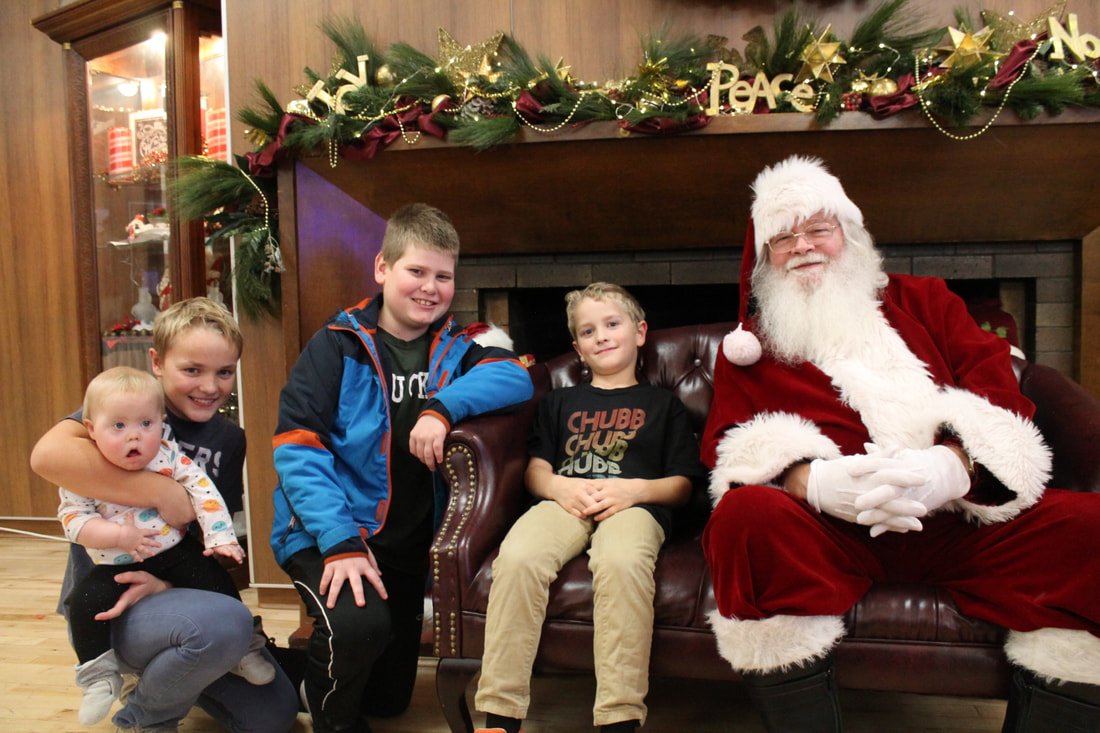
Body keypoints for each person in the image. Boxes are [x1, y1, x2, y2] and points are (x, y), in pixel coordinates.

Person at [700, 155, 1100, 732]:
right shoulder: (751, 345)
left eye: (818, 228)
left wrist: (956, 465)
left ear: (849, 234)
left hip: (963, 521)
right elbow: (730, 445)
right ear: (765, 258)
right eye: (783, 238)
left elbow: (995, 383)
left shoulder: (929, 300)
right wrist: (811, 482)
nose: (804, 246)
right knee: (744, 519)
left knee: (1091, 532)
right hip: (832, 533)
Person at [271, 202, 534, 733]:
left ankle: (283, 671)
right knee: (358, 629)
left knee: (389, 698)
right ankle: (332, 722)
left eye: (443, 276)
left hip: (407, 549)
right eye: (416, 271)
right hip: (331, 533)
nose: (429, 288)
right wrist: (340, 542)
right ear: (383, 268)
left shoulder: (458, 348)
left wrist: (441, 408)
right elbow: (297, 450)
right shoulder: (336, 346)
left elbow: (517, 377)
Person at [30, 297, 298, 733]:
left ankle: (169, 673)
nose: (209, 386)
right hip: (109, 598)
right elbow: (46, 456)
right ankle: (147, 717)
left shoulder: (230, 439)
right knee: (227, 623)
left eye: (224, 372)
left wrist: (167, 582)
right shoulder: (122, 408)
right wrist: (160, 490)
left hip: (179, 581)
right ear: (157, 362)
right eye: (192, 370)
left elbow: (209, 539)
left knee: (272, 716)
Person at [473, 283, 705, 733]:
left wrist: (634, 492)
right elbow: (535, 472)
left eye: (612, 324)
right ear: (577, 348)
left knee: (620, 562)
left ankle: (618, 718)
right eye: (587, 331)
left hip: (634, 506)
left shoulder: (664, 405)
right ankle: (500, 716)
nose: (601, 336)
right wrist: (559, 487)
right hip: (565, 499)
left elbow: (682, 486)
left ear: (640, 332)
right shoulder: (559, 402)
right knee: (518, 557)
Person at [60, 366, 273, 725]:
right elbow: (72, 518)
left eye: (146, 425)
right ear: (91, 430)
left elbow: (206, 494)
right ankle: (99, 677)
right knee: (82, 604)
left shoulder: (169, 456)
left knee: (214, 580)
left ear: (161, 424)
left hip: (172, 553)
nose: (135, 438)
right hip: (116, 563)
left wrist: (221, 537)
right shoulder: (84, 468)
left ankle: (247, 647)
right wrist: (114, 536)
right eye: (119, 427)